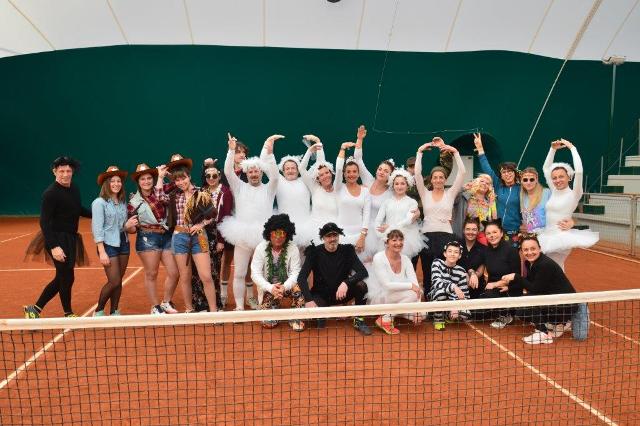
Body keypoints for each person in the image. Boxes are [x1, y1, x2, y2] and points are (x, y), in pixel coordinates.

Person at [218, 133, 281, 310]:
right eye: (251, 171)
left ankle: (263, 305)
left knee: (265, 274)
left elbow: (275, 176)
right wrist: (231, 151)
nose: (254, 174)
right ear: (246, 172)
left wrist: (270, 154)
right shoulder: (239, 187)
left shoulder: (269, 189)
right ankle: (239, 307)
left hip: (264, 237)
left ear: (261, 172)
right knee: (239, 273)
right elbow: (228, 171)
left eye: (257, 171)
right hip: (243, 236)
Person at [24, 156, 92, 319]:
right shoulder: (51, 194)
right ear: (54, 172)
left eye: (68, 171)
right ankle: (68, 313)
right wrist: (54, 247)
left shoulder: (74, 188)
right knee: (66, 277)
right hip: (56, 240)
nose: (65, 174)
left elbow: (78, 209)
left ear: (72, 172)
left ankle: (34, 309)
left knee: (64, 277)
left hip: (70, 238)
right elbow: (44, 222)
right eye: (61, 171)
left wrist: (97, 214)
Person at [163, 154, 218, 312]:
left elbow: (213, 214)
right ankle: (189, 309)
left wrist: (200, 224)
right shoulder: (173, 195)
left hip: (198, 236)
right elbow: (159, 196)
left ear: (189, 177)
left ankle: (214, 312)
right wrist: (160, 177)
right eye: (177, 180)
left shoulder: (201, 193)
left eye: (183, 178)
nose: (181, 182)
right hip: (179, 237)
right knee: (185, 276)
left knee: (206, 276)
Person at [501, 234, 578, 345]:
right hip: (555, 301)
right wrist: (510, 286)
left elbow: (535, 289)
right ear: (521, 251)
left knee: (524, 307)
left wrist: (516, 277)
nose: (529, 252)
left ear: (540, 249)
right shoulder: (529, 263)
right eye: (526, 250)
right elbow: (529, 283)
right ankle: (558, 323)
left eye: (533, 249)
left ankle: (544, 333)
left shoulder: (544, 264)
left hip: (566, 305)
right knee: (523, 305)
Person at [297, 223, 371, 335]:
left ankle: (358, 320)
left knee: (361, 286)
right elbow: (301, 278)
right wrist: (309, 300)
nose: (332, 239)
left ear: (339, 236)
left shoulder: (347, 251)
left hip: (341, 294)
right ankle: (322, 314)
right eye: (328, 236)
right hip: (321, 295)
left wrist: (346, 283)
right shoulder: (314, 252)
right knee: (317, 324)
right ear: (323, 238)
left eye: (335, 235)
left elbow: (363, 272)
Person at [414, 137, 466, 293]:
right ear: (431, 179)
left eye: (441, 177)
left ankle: (446, 299)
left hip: (446, 236)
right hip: (426, 237)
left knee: (445, 273)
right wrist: (419, 152)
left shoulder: (450, 193)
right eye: (435, 177)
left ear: (445, 179)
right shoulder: (425, 193)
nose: (438, 180)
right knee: (428, 271)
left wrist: (455, 152)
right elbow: (417, 174)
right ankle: (430, 300)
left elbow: (462, 172)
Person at [537, 139, 598, 271]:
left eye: (561, 176)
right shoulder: (554, 190)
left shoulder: (574, 194)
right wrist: (552, 149)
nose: (557, 180)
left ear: (569, 177)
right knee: (552, 269)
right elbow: (546, 168)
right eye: (554, 178)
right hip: (547, 235)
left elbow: (579, 172)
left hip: (561, 238)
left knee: (552, 269)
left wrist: (572, 148)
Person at [128, 163, 180, 314]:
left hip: (166, 236)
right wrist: (128, 226)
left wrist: (166, 175)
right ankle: (155, 306)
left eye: (149, 178)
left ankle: (166, 302)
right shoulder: (133, 202)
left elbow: (178, 183)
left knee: (174, 272)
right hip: (147, 238)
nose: (146, 181)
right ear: (138, 182)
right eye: (142, 179)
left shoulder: (162, 189)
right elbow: (132, 229)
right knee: (152, 273)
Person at [92, 166, 138, 316]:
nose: (116, 184)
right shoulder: (99, 203)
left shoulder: (123, 202)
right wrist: (102, 251)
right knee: (114, 281)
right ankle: (99, 311)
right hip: (108, 245)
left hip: (124, 244)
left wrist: (131, 227)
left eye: (119, 181)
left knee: (119, 280)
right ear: (106, 183)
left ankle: (114, 311)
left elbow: (124, 227)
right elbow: (97, 229)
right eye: (112, 181)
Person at [190, 158, 232, 311]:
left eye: (215, 176)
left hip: (215, 235)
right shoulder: (201, 191)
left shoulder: (225, 192)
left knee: (213, 270)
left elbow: (226, 217)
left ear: (220, 176)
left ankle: (215, 305)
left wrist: (221, 240)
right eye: (208, 176)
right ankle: (200, 304)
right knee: (198, 270)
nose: (211, 178)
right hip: (201, 234)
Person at [250, 214, 305, 331]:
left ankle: (295, 317)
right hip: (269, 288)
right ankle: (275, 306)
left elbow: (296, 272)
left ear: (287, 234)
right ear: (269, 233)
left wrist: (284, 287)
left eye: (282, 233)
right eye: (275, 233)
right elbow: (255, 274)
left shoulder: (293, 248)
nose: (278, 237)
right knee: (268, 324)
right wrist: (271, 288)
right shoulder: (260, 248)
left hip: (287, 286)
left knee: (299, 288)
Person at [366, 229, 422, 335]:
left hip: (400, 298)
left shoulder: (406, 259)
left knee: (423, 314)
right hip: (382, 297)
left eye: (401, 240)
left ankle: (392, 314)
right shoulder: (379, 257)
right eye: (394, 240)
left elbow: (416, 286)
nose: (398, 243)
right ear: (387, 243)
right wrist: (410, 286)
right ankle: (386, 319)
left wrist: (417, 310)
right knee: (412, 295)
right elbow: (387, 285)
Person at [353, 124, 395, 256]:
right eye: (380, 169)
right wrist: (360, 139)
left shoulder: (391, 193)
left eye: (386, 171)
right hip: (359, 228)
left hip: (377, 235)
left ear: (390, 176)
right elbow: (358, 160)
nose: (382, 172)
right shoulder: (368, 180)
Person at [473, 132, 522, 242]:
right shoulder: (498, 185)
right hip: (497, 231)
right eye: (504, 172)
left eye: (510, 171)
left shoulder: (521, 189)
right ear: (501, 175)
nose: (507, 174)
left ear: (515, 173)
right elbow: (487, 169)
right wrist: (480, 149)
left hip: (514, 233)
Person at [220, 139, 249, 310]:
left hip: (245, 222)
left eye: (244, 152)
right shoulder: (224, 173)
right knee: (227, 259)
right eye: (238, 152)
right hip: (229, 223)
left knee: (248, 262)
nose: (242, 155)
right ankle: (223, 295)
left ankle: (250, 296)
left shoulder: (250, 172)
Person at [374, 167, 425, 258]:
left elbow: (408, 220)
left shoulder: (412, 202)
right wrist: (382, 235)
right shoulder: (387, 202)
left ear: (407, 185)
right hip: (388, 237)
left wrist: (389, 228)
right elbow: (378, 220)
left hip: (405, 238)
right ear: (393, 185)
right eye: (396, 184)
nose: (399, 186)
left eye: (402, 184)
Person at [481, 219, 522, 328]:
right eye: (488, 233)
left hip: (510, 287)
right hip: (493, 288)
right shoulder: (487, 251)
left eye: (494, 232)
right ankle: (499, 311)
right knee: (479, 313)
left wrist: (499, 284)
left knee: (489, 296)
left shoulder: (511, 250)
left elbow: (517, 276)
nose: (491, 236)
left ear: (501, 233)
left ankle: (507, 315)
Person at [335, 141, 371, 259]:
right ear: (344, 174)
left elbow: (366, 214)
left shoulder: (365, 191)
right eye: (348, 172)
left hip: (360, 236)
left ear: (359, 173)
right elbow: (338, 168)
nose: (351, 174)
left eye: (354, 171)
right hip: (341, 236)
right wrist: (342, 149)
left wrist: (362, 237)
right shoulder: (339, 187)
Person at [299, 136, 339, 243]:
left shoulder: (339, 188)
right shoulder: (315, 188)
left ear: (331, 173)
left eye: (327, 173)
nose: (325, 176)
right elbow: (301, 169)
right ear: (318, 179)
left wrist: (318, 143)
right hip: (315, 233)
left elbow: (321, 162)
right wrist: (310, 151)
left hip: (334, 233)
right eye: (321, 175)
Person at [275, 150, 314, 248]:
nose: (290, 171)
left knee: (305, 257)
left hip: (306, 229)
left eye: (293, 168)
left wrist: (310, 151)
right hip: (283, 229)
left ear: (298, 170)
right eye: (287, 168)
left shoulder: (305, 180)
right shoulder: (279, 181)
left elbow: (317, 165)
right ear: (283, 171)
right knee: (282, 256)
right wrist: (268, 145)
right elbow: (268, 163)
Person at [429, 241, 470, 330]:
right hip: (436, 295)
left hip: (453, 299)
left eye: (456, 252)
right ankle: (438, 320)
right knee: (441, 293)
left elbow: (464, 294)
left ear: (459, 256)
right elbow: (437, 284)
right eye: (450, 251)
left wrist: (455, 305)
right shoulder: (437, 263)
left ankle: (448, 316)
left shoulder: (461, 271)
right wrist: (454, 287)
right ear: (445, 253)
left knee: (466, 314)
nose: (452, 254)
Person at [463, 174, 497, 245]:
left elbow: (494, 220)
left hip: (482, 235)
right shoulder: (467, 198)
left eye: (487, 183)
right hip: (467, 233)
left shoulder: (489, 202)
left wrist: (492, 203)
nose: (484, 184)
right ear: (476, 183)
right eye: (482, 181)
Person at [457, 217, 486, 299]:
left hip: (476, 286)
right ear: (463, 230)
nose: (471, 232)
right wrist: (465, 274)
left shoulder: (483, 249)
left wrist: (474, 275)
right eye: (468, 229)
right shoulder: (456, 246)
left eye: (474, 229)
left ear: (478, 231)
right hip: (457, 286)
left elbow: (481, 269)